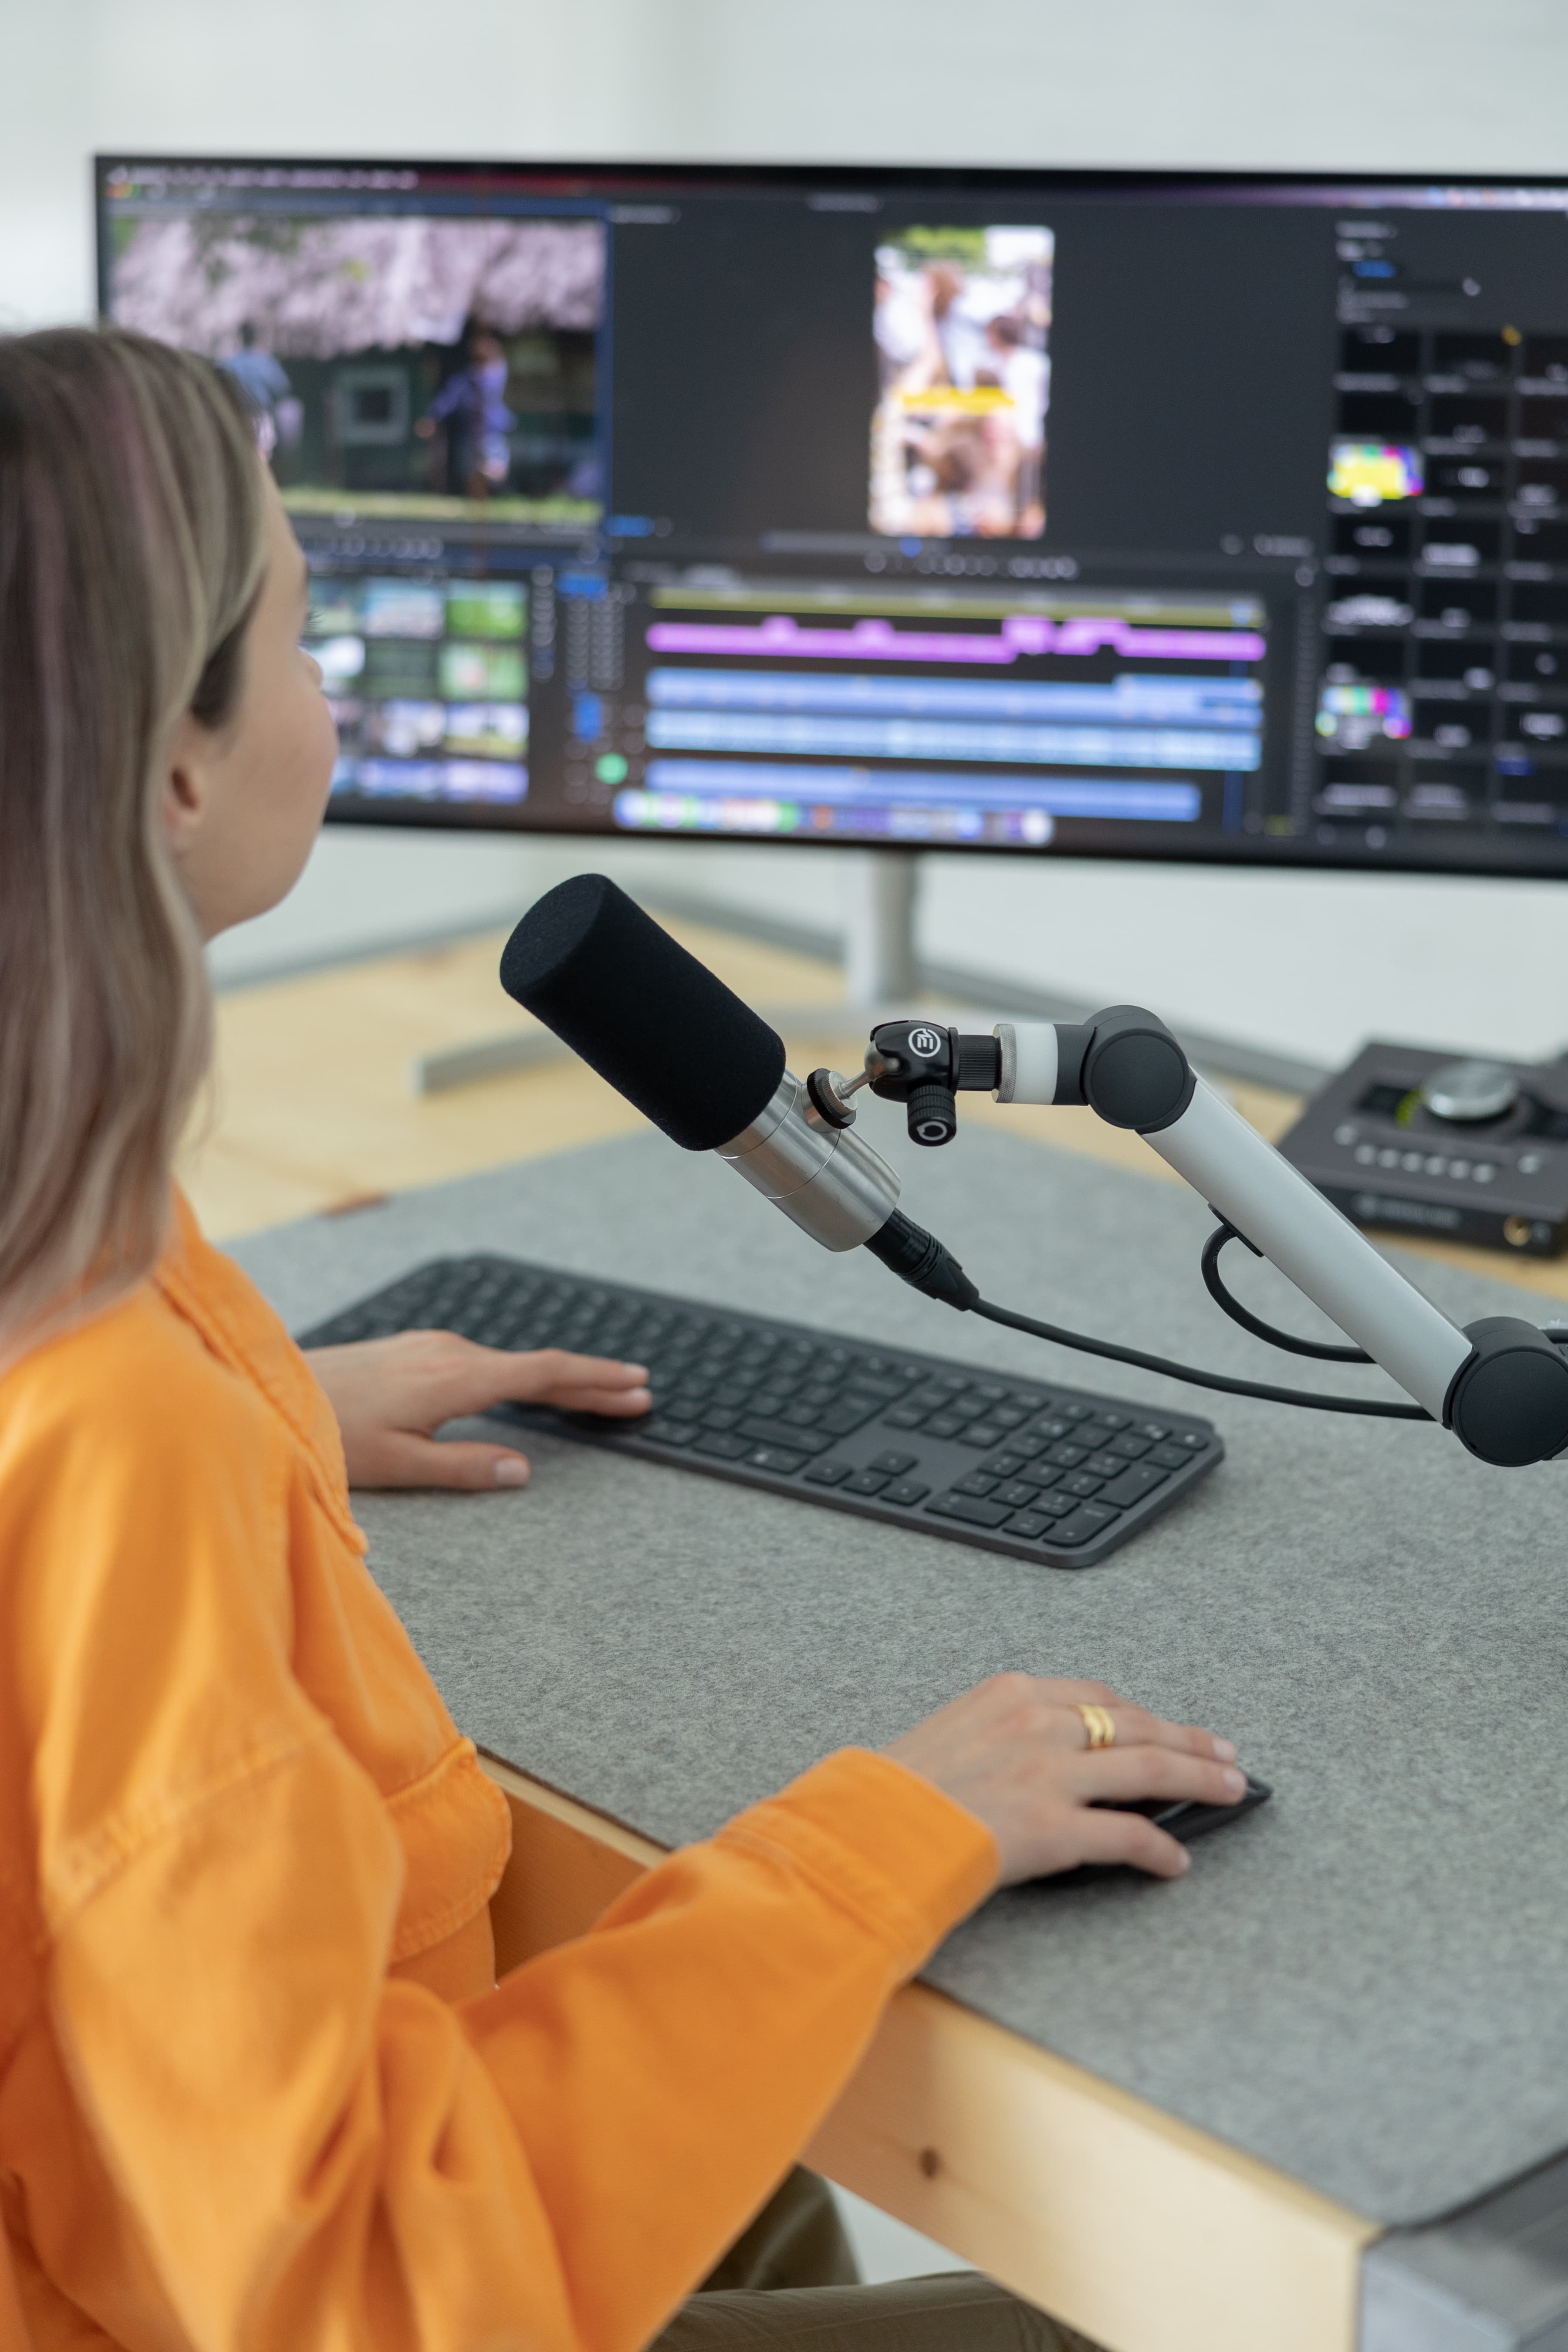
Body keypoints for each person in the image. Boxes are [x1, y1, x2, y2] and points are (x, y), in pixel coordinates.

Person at [0, 327, 1248, 2352]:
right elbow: (364, 2288)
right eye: (310, 633)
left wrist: (270, 1414)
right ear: (173, 760)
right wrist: (883, 1831)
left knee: (745, 2181)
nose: (341, 693)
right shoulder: (114, 1442)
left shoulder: (82, 1286)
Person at [416, 323, 516, 500]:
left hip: (490, 431)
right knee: (473, 471)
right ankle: (479, 490)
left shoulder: (493, 376)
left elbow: (448, 399)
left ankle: (486, 481)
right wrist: (433, 418)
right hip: (473, 432)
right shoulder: (471, 379)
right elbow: (448, 400)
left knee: (494, 470)